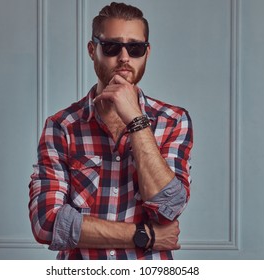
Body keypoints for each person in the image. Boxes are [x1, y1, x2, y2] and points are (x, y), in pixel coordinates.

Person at [28, 2, 193, 260]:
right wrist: (144, 234)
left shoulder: (173, 121)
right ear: (92, 50)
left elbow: (167, 208)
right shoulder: (61, 126)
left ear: (147, 53)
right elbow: (47, 222)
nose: (125, 57)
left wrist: (136, 120)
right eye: (112, 46)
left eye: (135, 48)